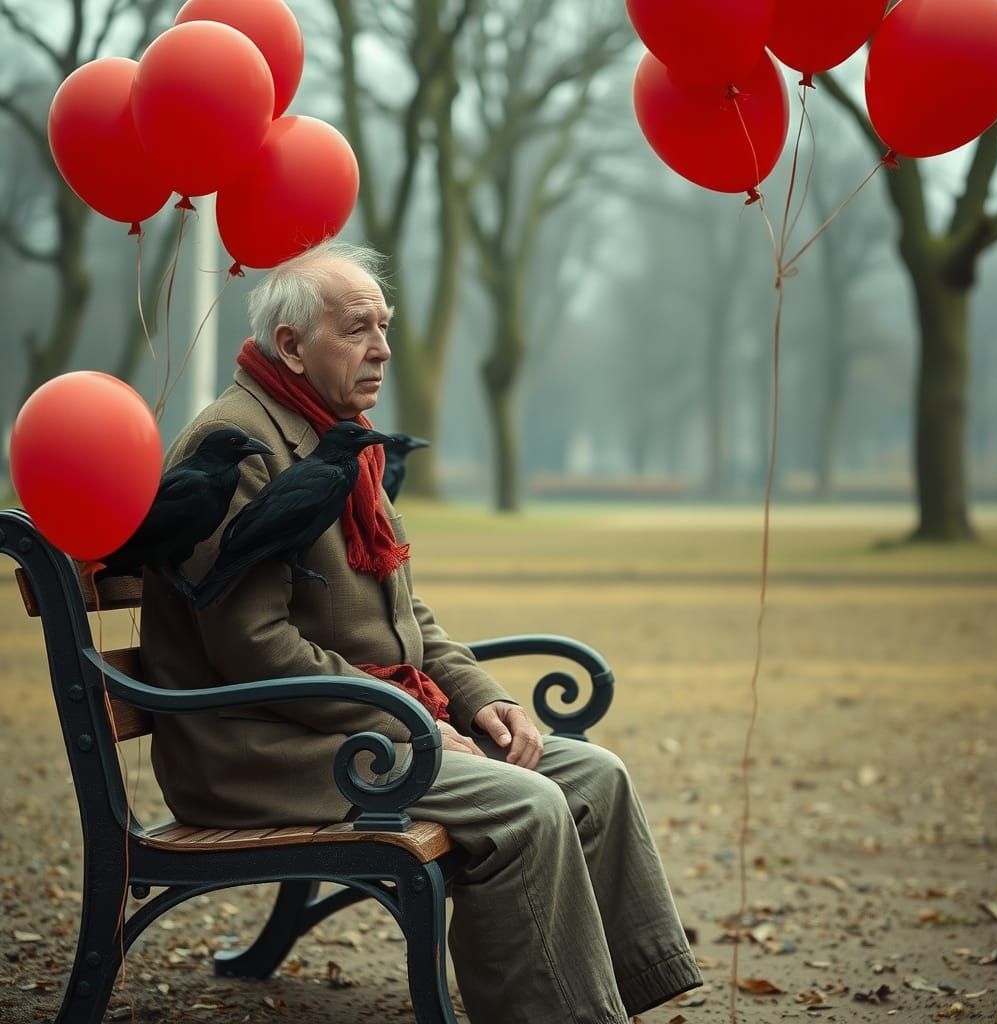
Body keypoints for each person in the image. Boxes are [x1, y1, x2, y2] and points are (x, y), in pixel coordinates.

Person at [140, 240, 702, 1024]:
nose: (384, 349)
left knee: (593, 776)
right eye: (359, 328)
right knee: (527, 807)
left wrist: (477, 703)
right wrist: (418, 724)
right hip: (259, 750)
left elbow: (406, 615)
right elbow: (250, 643)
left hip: (358, 731)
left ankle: (620, 998)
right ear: (293, 347)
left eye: (386, 325)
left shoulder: (341, 438)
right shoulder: (239, 444)